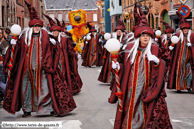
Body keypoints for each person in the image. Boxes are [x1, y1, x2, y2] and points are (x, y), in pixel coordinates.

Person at [3, 0, 76, 117]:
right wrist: (13, 43)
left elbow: (55, 51)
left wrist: (55, 45)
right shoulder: (24, 37)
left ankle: (47, 109)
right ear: (31, 27)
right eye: (35, 26)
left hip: (42, 68)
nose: (37, 28)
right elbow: (16, 51)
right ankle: (27, 110)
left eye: (39, 26)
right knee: (26, 89)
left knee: (45, 88)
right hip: (27, 69)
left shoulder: (46, 37)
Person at [109, 13, 172, 129]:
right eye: (143, 35)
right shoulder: (129, 50)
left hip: (148, 88)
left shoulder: (156, 50)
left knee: (146, 109)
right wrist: (118, 67)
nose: (145, 38)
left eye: (148, 36)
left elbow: (167, 65)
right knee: (130, 107)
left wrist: (158, 62)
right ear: (139, 37)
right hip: (131, 87)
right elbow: (123, 65)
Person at [168, 12, 194, 93]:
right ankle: (178, 87)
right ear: (182, 30)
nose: (185, 30)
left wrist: (192, 45)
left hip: (189, 59)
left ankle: (188, 87)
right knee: (179, 72)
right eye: (184, 29)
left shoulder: (192, 35)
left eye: (186, 29)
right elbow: (172, 44)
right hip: (179, 58)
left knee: (189, 73)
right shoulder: (178, 35)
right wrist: (171, 46)